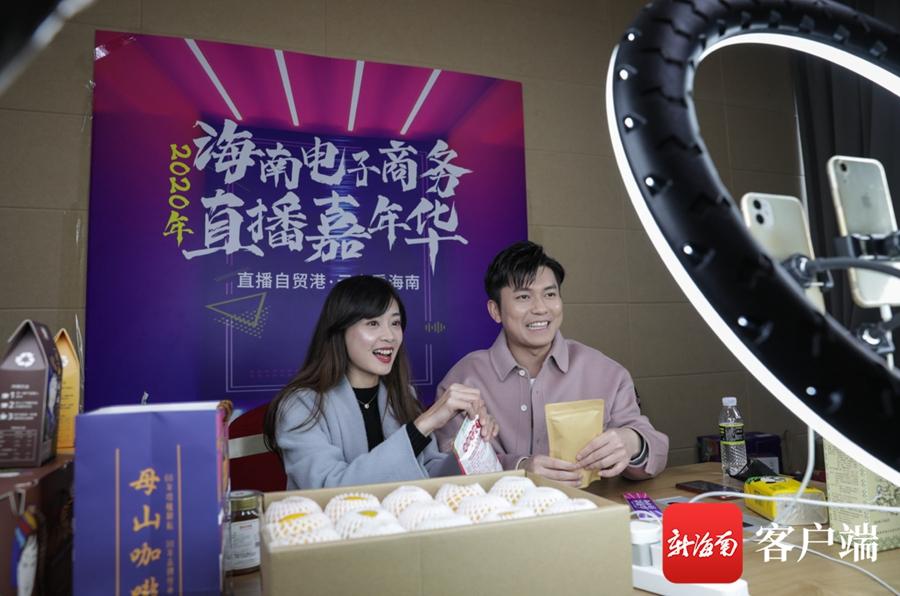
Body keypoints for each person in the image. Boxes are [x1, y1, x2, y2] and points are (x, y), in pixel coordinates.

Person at [435, 241, 668, 485]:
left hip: (589, 507)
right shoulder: (464, 380)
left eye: (549, 294)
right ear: (495, 310)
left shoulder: (606, 372)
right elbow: (444, 469)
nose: (540, 308)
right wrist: (519, 467)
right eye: (524, 297)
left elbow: (657, 451)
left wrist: (632, 442)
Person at [263, 275, 497, 489]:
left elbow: (428, 475)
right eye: (373, 323)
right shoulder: (301, 406)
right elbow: (328, 487)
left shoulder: (401, 395)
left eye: (395, 323)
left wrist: (471, 448)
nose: (390, 336)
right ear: (340, 330)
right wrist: (422, 426)